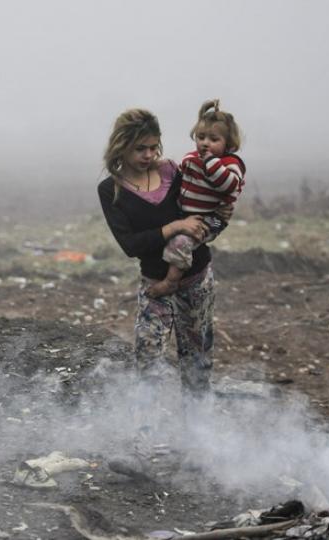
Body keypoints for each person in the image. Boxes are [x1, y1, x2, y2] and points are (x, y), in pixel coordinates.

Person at [97, 108, 219, 395]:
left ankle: (198, 433)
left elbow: (200, 216)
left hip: (197, 279)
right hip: (156, 287)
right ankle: (147, 434)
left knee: (197, 361)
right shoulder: (110, 190)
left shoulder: (172, 172)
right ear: (122, 145)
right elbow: (131, 245)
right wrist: (176, 226)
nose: (148, 155)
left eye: (153, 147)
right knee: (147, 360)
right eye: (140, 148)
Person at [146, 100, 246, 298]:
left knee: (181, 242)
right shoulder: (191, 158)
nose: (205, 143)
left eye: (213, 139)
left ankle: (170, 282)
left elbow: (229, 185)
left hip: (211, 218)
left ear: (229, 143)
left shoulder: (230, 164)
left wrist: (211, 162)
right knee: (166, 231)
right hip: (187, 213)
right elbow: (181, 178)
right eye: (201, 137)